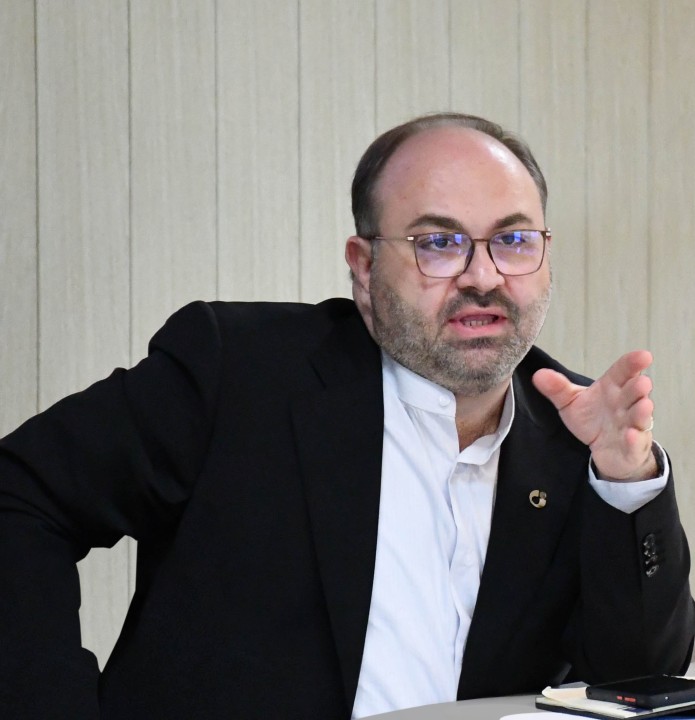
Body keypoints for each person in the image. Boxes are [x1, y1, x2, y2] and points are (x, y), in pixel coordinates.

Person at [0, 112, 693, 720]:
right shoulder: (238, 373)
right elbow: (21, 494)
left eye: (512, 241)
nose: (483, 276)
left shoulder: (574, 429)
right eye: (438, 242)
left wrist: (625, 483)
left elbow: (638, 681)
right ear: (363, 268)